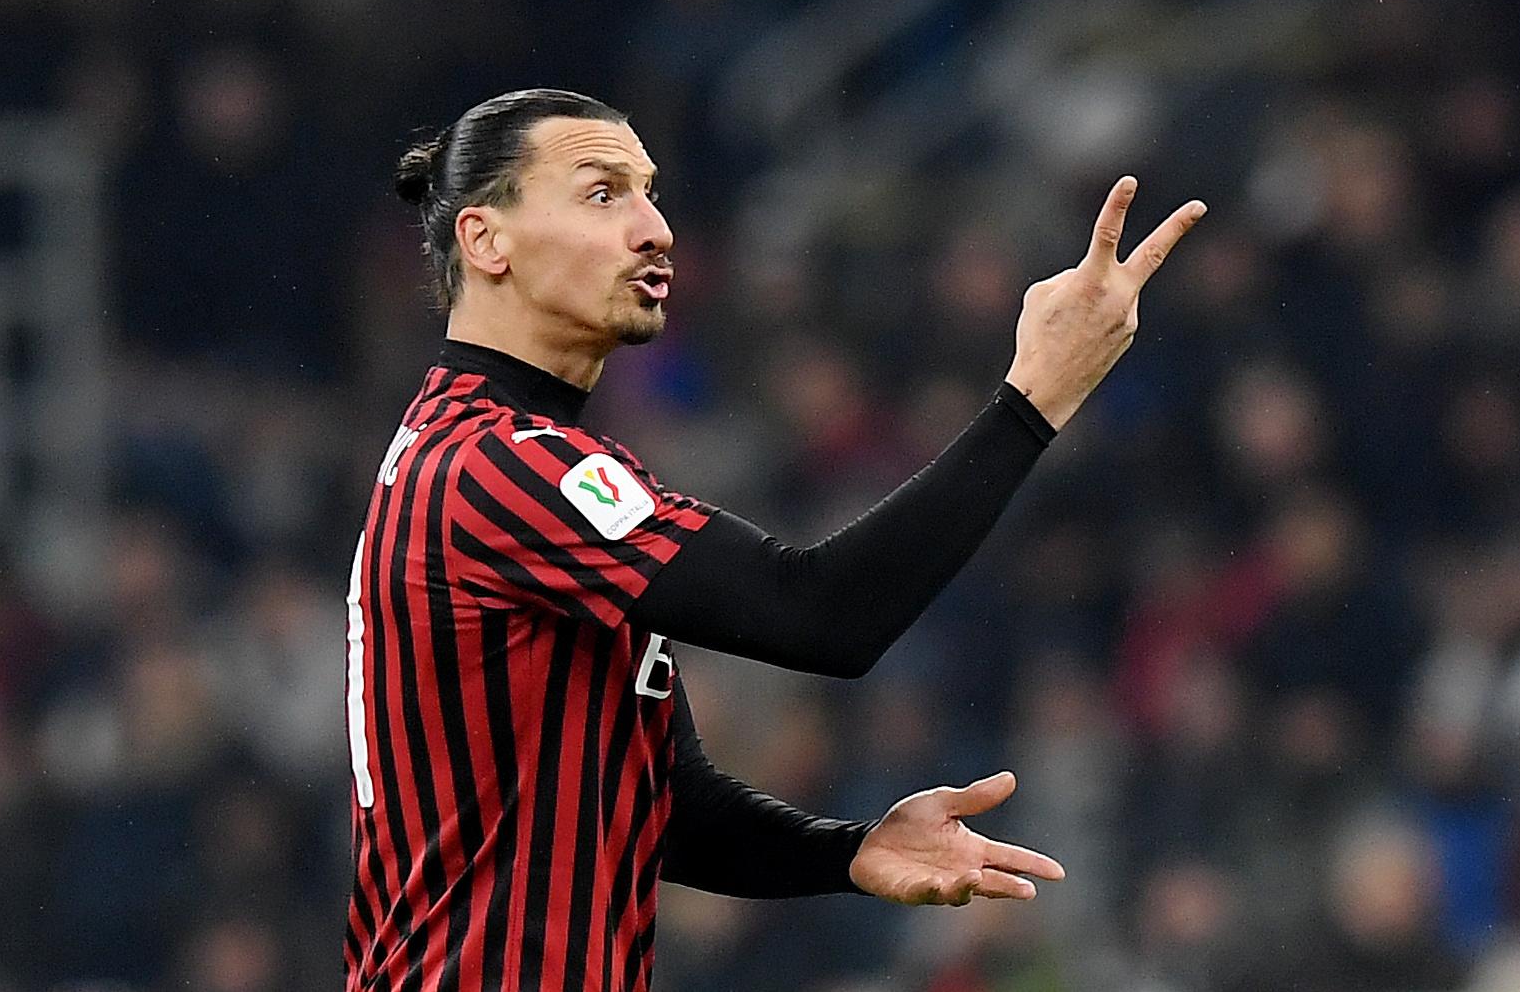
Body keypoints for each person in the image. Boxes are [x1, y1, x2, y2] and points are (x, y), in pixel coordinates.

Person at [342, 88, 1205, 992]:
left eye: (649, 193)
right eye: (602, 194)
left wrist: (848, 851)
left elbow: (667, 802)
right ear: (486, 241)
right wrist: (1034, 399)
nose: (654, 229)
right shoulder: (500, 464)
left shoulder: (494, 456)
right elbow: (820, 614)